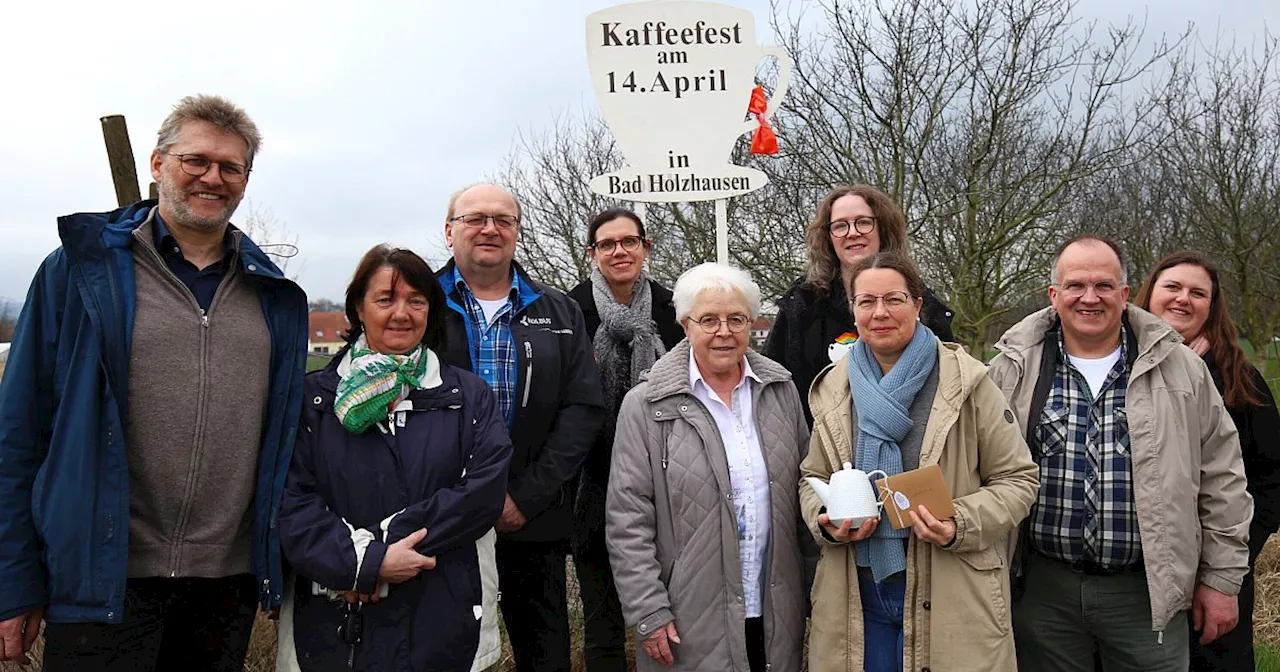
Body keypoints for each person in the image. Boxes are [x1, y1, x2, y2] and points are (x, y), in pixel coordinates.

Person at [0, 95, 308, 670]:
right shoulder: (78, 274)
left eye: (230, 167)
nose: (212, 178)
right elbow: (19, 432)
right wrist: (14, 579)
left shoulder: (273, 295)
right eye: (196, 160)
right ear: (157, 163)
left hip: (227, 584)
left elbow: (286, 436)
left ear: (245, 180)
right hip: (103, 578)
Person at [988, 235, 1252, 672]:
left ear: (1126, 294)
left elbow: (1223, 478)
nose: (1089, 298)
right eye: (1075, 286)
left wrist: (1222, 581)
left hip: (1146, 595)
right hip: (1042, 593)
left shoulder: (1181, 368)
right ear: (1054, 295)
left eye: (1104, 286)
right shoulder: (1012, 368)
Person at [276, 245, 511, 671]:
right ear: (359, 309)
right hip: (337, 619)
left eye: (416, 301)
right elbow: (292, 501)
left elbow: (483, 491)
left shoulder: (468, 396)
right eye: (385, 299)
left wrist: (383, 549)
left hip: (444, 609)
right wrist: (363, 563)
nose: (401, 313)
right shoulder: (312, 400)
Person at [800, 252, 1038, 672]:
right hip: (857, 593)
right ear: (853, 311)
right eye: (866, 302)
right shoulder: (833, 388)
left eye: (893, 299)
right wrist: (825, 516)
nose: (880, 313)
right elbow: (812, 477)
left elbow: (1018, 480)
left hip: (950, 587)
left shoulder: (969, 383)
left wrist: (959, 521)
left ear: (918, 303)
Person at [608, 262, 810, 672]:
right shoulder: (647, 405)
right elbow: (628, 519)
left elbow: (806, 489)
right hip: (689, 616)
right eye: (709, 320)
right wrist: (648, 611)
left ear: (751, 323)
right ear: (686, 325)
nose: (724, 331)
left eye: (736, 318)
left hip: (775, 607)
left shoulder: (781, 391)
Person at [435, 184, 605, 672]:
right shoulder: (418, 305)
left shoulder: (558, 311)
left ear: (516, 232)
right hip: (440, 516)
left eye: (504, 220)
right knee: (446, 651)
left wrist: (525, 497)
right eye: (475, 219)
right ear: (450, 232)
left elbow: (582, 409)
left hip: (531, 517)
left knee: (545, 654)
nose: (490, 229)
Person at [1135, 251, 1280, 671]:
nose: (1184, 299)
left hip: (1211, 575)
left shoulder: (1239, 379)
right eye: (1173, 287)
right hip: (1134, 577)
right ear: (1149, 295)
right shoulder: (1115, 369)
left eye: (1198, 293)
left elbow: (1270, 477)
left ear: (1211, 308)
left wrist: (1228, 564)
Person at [566, 208, 685, 672]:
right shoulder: (570, 310)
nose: (620, 251)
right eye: (607, 244)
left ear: (646, 248)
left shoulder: (675, 311)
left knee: (671, 614)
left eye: (629, 241)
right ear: (592, 254)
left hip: (666, 479)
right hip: (591, 480)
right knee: (602, 622)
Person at [764, 185, 955, 425]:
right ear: (828, 236)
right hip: (824, 449)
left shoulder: (922, 302)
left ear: (883, 228)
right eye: (840, 226)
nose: (852, 233)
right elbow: (774, 384)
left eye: (863, 222)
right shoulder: (802, 306)